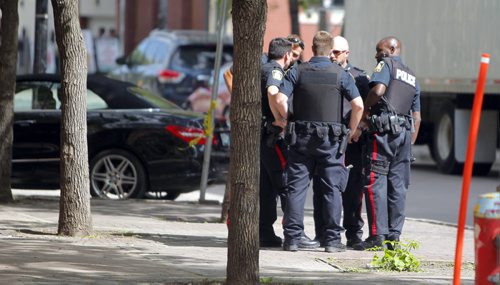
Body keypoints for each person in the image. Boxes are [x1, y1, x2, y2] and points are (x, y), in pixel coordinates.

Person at [280, 31, 364, 253]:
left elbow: (279, 98)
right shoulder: (340, 74)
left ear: (313, 48)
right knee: (332, 189)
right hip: (331, 141)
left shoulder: (297, 71)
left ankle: (292, 239)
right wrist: (350, 131)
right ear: (329, 50)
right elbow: (359, 105)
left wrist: (283, 119)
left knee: (296, 188)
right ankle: (332, 241)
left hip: (300, 138)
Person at [353, 36, 421, 250]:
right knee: (398, 187)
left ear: (391, 49)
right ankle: (394, 237)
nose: (376, 54)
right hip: (404, 136)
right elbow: (417, 117)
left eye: (379, 49)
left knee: (375, 182)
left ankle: (377, 236)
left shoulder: (386, 64)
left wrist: (364, 112)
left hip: (383, 135)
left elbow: (378, 90)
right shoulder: (411, 75)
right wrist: (408, 142)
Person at [311, 36, 371, 249]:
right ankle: (323, 233)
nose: (333, 56)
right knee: (323, 188)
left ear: (347, 53)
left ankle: (354, 234)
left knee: (353, 191)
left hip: (352, 143)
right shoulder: (322, 73)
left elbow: (367, 108)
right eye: (331, 52)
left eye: (337, 52)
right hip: (328, 140)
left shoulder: (360, 78)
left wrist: (359, 128)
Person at [259, 37, 294, 247]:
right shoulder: (275, 71)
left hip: (262, 137)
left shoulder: (262, 68)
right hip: (272, 136)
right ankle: (293, 232)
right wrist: (282, 118)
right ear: (287, 55)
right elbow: (273, 92)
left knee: (267, 188)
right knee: (286, 184)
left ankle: (264, 233)